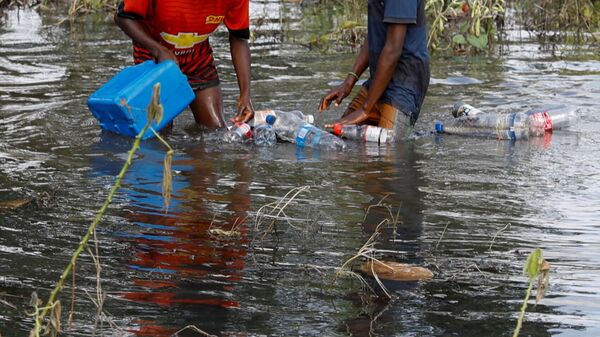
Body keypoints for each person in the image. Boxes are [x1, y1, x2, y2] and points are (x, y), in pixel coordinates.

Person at [114, 0, 254, 129]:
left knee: (215, 130)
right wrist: (159, 50)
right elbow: (122, 17)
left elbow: (239, 38)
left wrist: (245, 96)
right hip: (154, 61)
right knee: (158, 131)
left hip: (198, 62)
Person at [319, 0, 430, 140]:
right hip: (379, 79)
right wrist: (348, 82)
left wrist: (366, 109)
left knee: (388, 154)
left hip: (404, 83)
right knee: (339, 139)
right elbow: (374, 35)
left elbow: (393, 50)